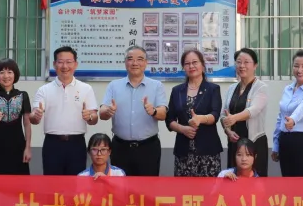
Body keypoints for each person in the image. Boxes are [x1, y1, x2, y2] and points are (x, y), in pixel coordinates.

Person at [100, 46, 167, 177]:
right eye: (130, 59)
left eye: (140, 59)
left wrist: (153, 111)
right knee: (120, 187)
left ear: (146, 63)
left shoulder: (157, 86)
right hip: (120, 147)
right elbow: (102, 113)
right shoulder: (114, 85)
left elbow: (163, 113)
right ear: (125, 62)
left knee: (147, 187)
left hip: (148, 148)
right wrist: (108, 111)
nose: (135, 63)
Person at [32, 46, 99, 175]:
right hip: (52, 144)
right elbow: (33, 117)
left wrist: (90, 117)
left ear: (75, 64)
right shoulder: (44, 90)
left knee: (76, 182)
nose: (65, 66)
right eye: (61, 62)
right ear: (54, 64)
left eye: (69, 62)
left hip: (77, 143)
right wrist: (36, 116)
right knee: (52, 182)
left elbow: (94, 118)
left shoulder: (86, 88)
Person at [167, 48, 223, 177]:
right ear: (183, 68)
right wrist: (182, 129)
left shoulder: (213, 89)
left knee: (209, 188)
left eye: (195, 62)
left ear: (202, 65)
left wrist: (200, 119)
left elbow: (215, 114)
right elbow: (169, 120)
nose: (191, 66)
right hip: (183, 152)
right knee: (184, 188)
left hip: (208, 151)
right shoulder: (177, 91)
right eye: (187, 63)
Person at [221, 48, 270, 178]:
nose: (242, 66)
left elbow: (254, 110)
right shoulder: (232, 88)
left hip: (254, 143)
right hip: (235, 144)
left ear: (255, 65)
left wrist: (234, 118)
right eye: (238, 62)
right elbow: (223, 115)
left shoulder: (261, 87)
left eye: (246, 62)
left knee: (256, 182)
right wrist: (228, 131)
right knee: (233, 180)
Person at [272, 50, 303, 177]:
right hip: (285, 140)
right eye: (296, 66)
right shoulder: (287, 89)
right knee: (287, 181)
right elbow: (280, 117)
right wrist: (276, 144)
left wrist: (292, 120)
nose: (300, 70)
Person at [0, 58, 33, 175]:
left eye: (9, 72)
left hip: (18, 145)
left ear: (15, 75)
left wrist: (28, 148)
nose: (6, 76)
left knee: (19, 181)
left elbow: (27, 124)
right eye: (2, 72)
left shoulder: (23, 95)